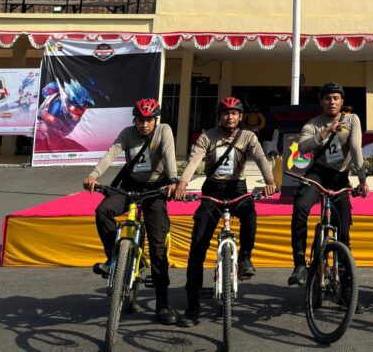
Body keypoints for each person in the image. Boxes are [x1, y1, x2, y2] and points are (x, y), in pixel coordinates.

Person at [175, 96, 276, 327]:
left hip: (237, 189)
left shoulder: (248, 136)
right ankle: (192, 308)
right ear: (219, 116)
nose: (229, 117)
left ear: (240, 117)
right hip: (212, 191)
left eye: (234, 113)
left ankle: (245, 258)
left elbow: (260, 157)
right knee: (197, 247)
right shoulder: (207, 136)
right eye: (225, 113)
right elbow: (194, 160)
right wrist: (182, 184)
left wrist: (270, 179)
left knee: (250, 214)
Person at [82, 98, 179, 325]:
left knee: (157, 247)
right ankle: (114, 258)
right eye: (140, 120)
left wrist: (174, 180)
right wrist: (94, 175)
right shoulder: (127, 133)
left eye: (149, 120)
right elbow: (111, 153)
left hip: (155, 189)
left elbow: (169, 154)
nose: (144, 125)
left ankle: (162, 304)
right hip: (129, 186)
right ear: (135, 120)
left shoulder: (164, 131)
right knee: (103, 211)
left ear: (156, 120)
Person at [287, 82, 369, 293]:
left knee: (344, 232)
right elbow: (302, 147)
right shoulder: (312, 124)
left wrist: (362, 179)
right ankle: (299, 264)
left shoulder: (352, 119)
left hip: (340, 178)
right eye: (327, 98)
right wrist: (324, 132)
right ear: (321, 102)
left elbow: (355, 148)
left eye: (335, 98)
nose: (331, 102)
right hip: (318, 175)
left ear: (342, 101)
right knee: (301, 206)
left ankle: (347, 290)